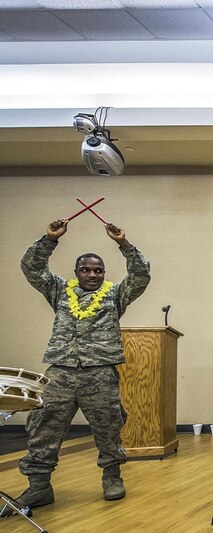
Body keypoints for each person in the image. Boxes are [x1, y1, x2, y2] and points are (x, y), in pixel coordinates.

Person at [2, 219, 150, 515]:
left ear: (104, 274)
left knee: (108, 427)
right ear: (76, 273)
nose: (92, 274)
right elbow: (32, 268)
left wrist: (123, 244)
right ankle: (40, 484)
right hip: (61, 370)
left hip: (100, 372)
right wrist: (49, 239)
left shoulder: (115, 295)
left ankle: (112, 477)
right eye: (86, 269)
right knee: (43, 427)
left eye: (98, 270)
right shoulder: (58, 291)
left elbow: (141, 275)